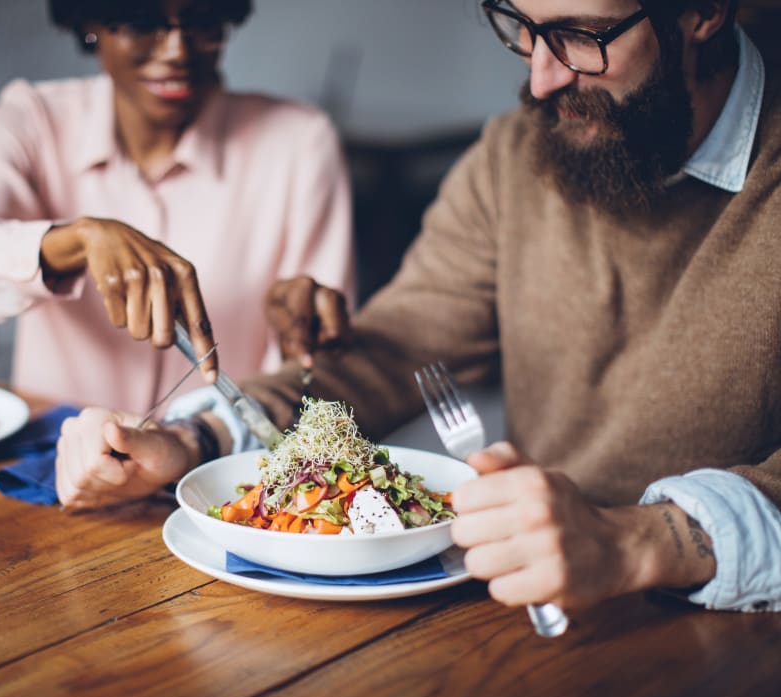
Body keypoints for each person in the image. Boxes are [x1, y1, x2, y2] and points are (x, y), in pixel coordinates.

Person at [55, 0, 781, 615]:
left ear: (704, 12)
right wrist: (198, 442)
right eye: (519, 26)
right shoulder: (517, 152)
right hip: (525, 613)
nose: (540, 77)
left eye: (580, 38)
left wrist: (635, 542)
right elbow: (395, 350)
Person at [0, 0, 354, 414]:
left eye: (202, 21)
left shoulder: (300, 142)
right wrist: (78, 240)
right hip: (57, 457)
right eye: (142, 23)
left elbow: (318, 374)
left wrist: (303, 331)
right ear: (89, 23)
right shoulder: (35, 119)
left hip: (227, 467)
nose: (176, 51)